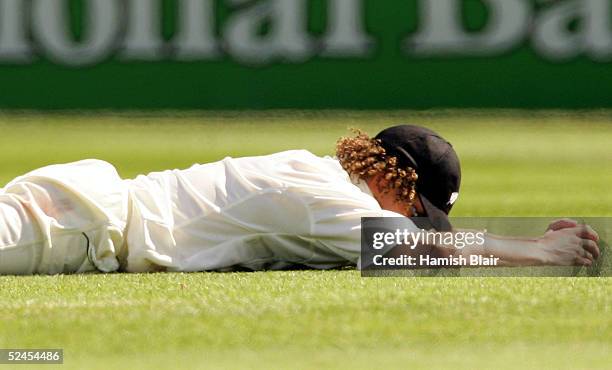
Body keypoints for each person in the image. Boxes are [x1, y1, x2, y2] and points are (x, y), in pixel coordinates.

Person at [0, 125, 599, 275]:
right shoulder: (326, 195)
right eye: (418, 208)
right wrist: (539, 252)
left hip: (89, 212)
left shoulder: (322, 179)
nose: (415, 220)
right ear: (396, 182)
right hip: (84, 224)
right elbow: (410, 248)